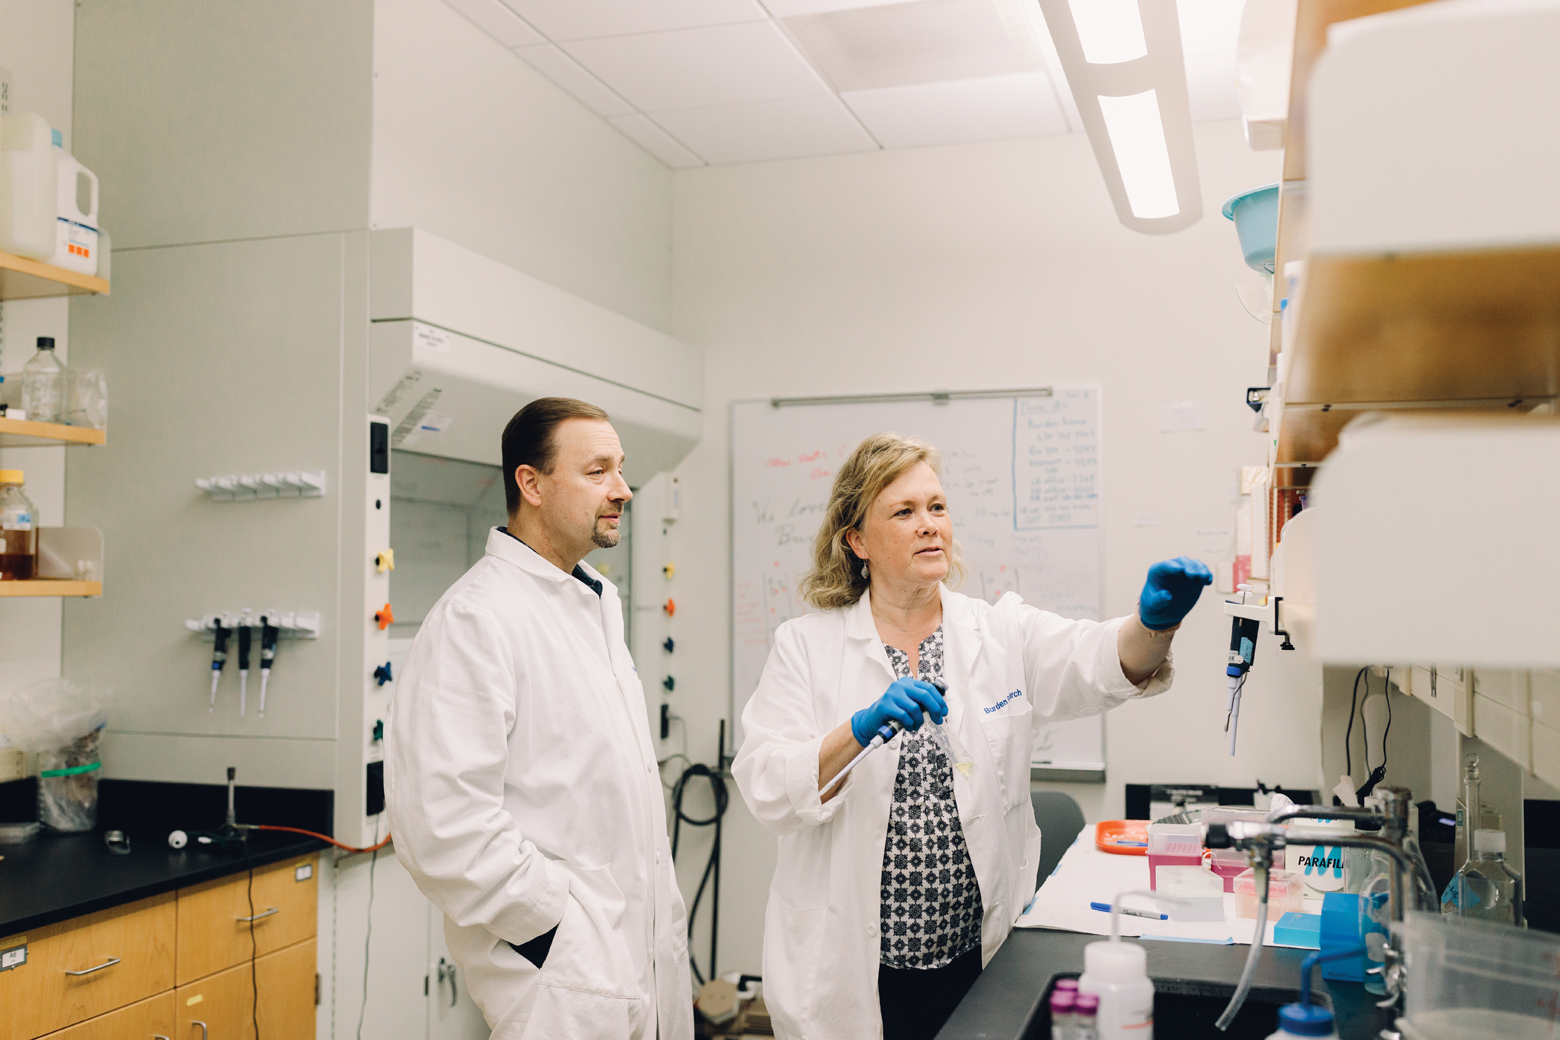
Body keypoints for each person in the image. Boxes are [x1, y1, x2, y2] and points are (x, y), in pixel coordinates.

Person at [732, 432, 1211, 1040]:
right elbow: (766, 785)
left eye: (936, 507)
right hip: (853, 970)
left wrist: (1154, 624)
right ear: (856, 541)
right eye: (903, 512)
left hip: (976, 956)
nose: (929, 525)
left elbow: (1098, 661)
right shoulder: (806, 646)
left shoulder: (998, 631)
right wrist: (857, 730)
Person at [385, 397, 692, 1040]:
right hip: (562, 982)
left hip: (635, 964)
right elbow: (442, 826)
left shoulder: (595, 601)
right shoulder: (477, 619)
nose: (623, 490)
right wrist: (558, 927)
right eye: (598, 471)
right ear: (531, 483)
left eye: (621, 469)